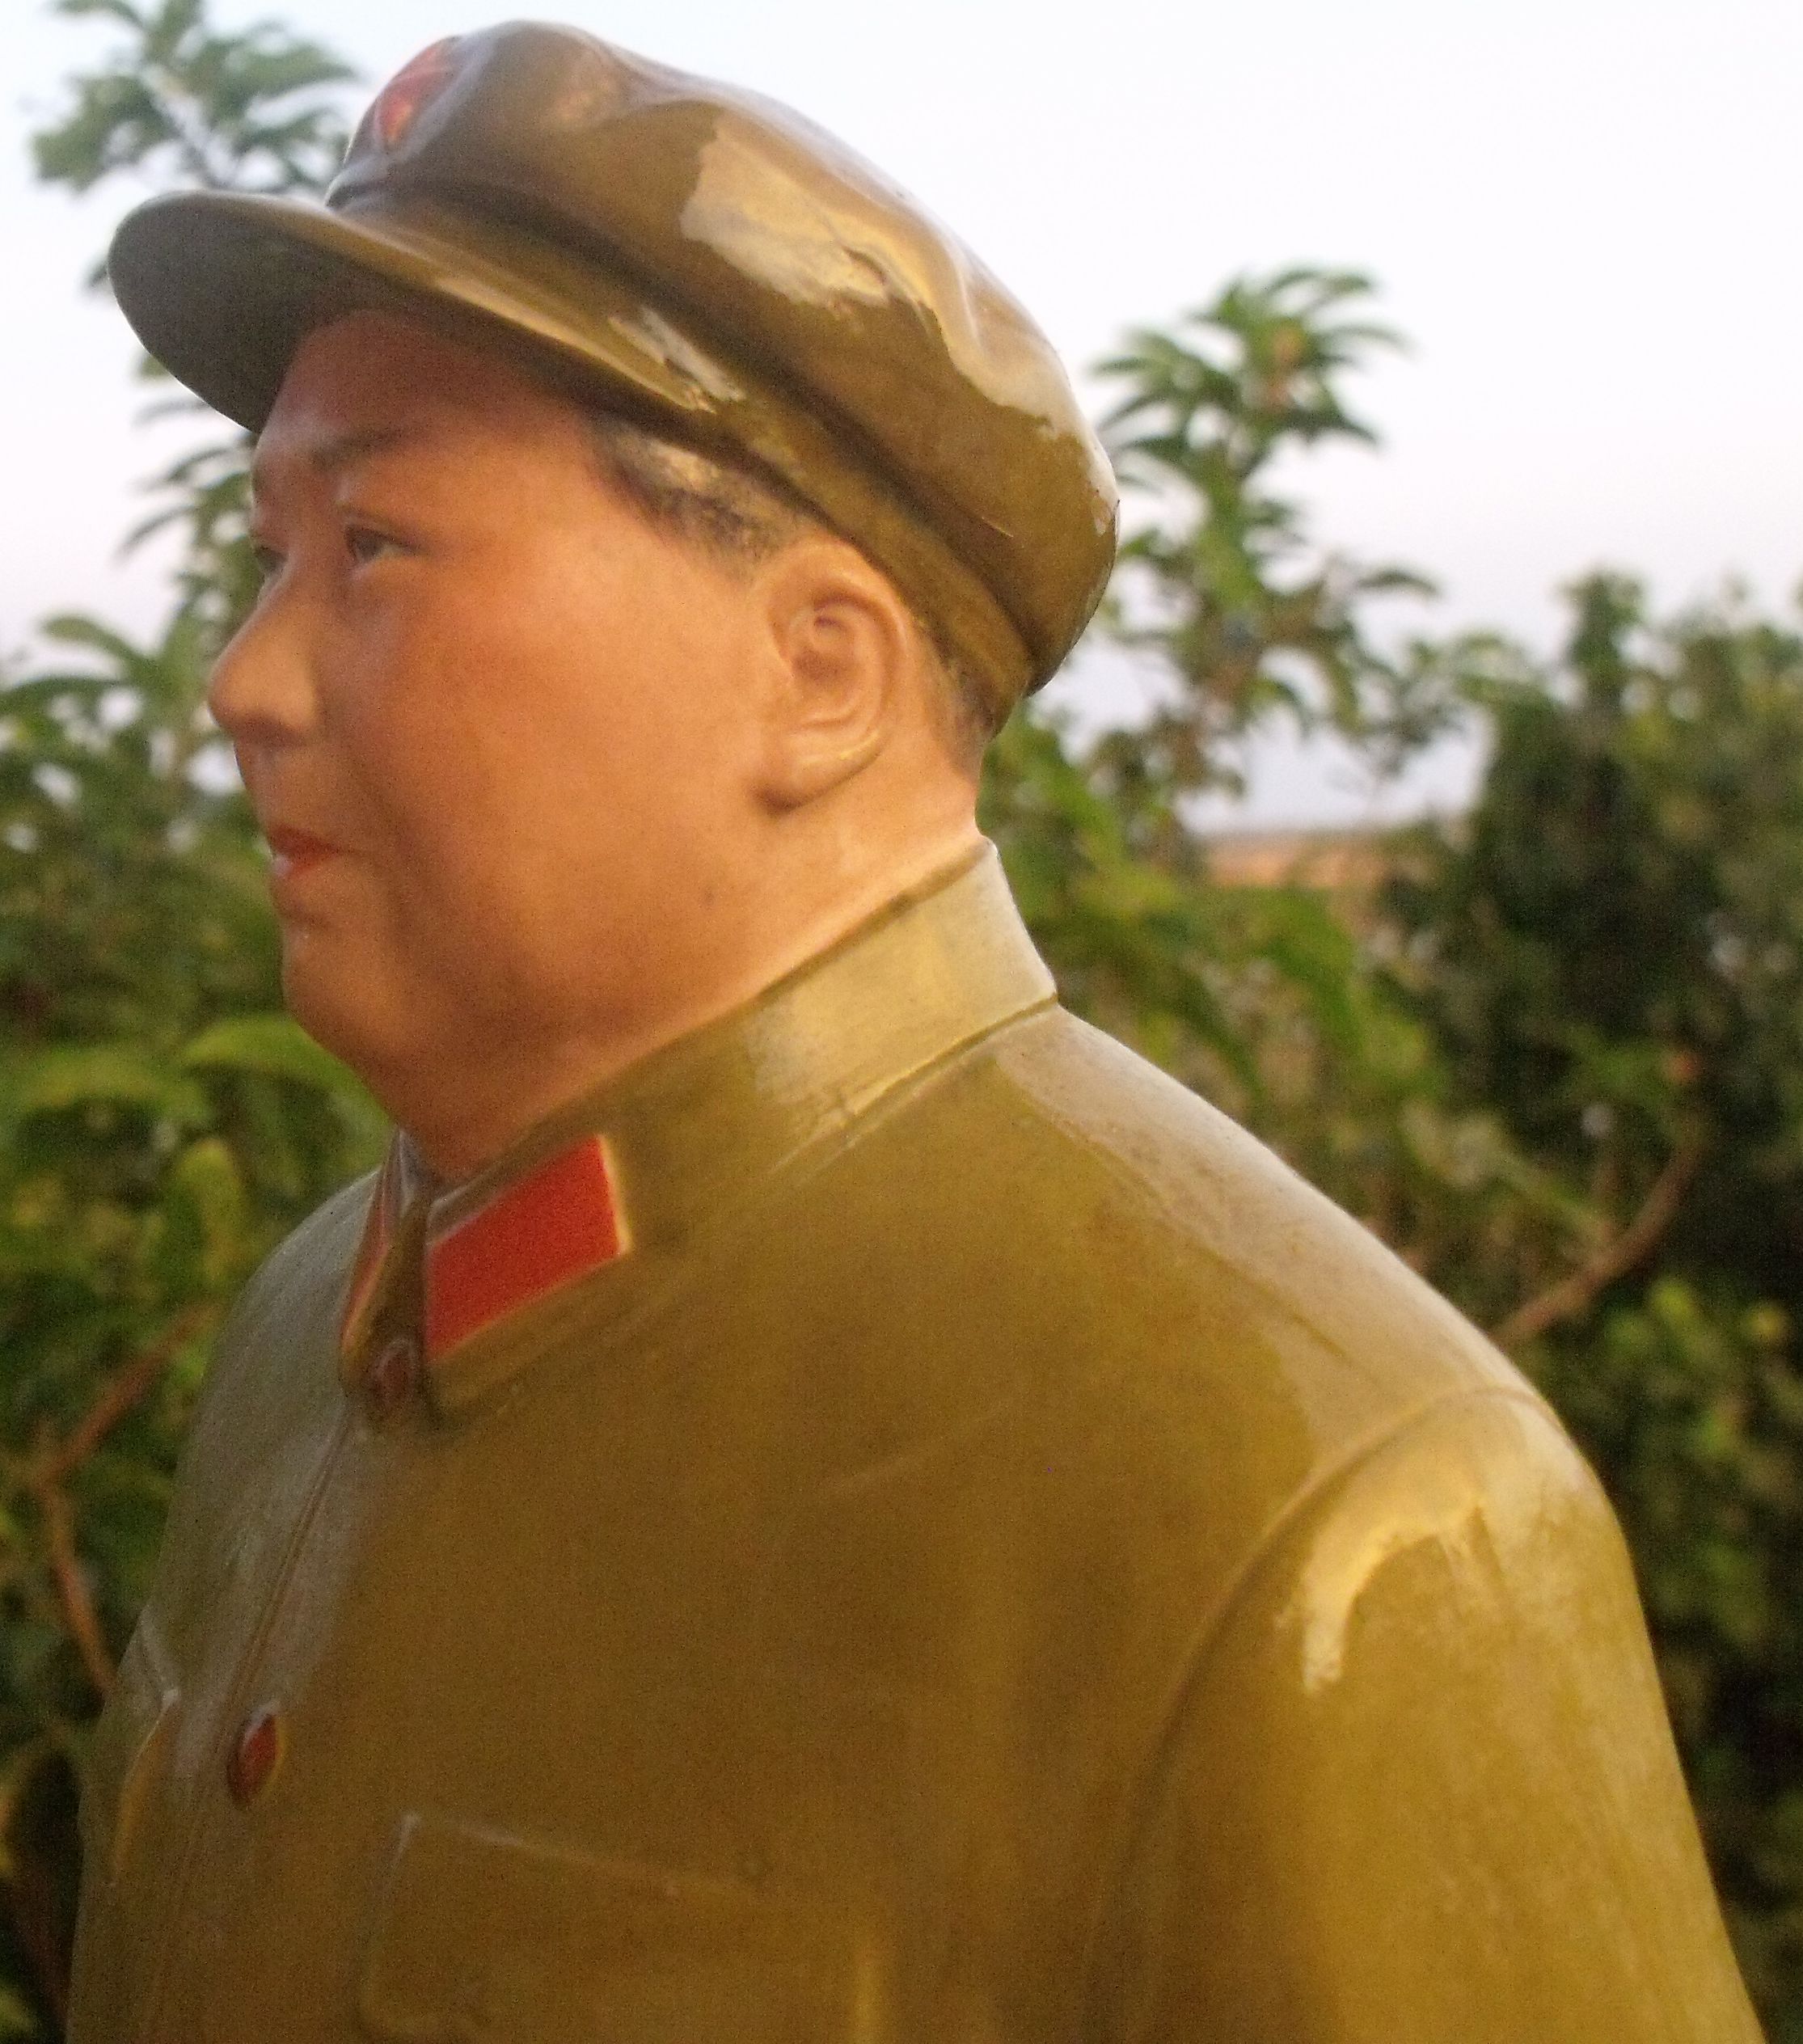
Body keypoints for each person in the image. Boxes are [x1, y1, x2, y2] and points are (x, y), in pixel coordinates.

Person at [70, 21, 1762, 2043]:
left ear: (820, 675)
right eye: (272, 554)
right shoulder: (303, 1342)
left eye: (376, 550)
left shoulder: (1308, 1514)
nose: (247, 680)